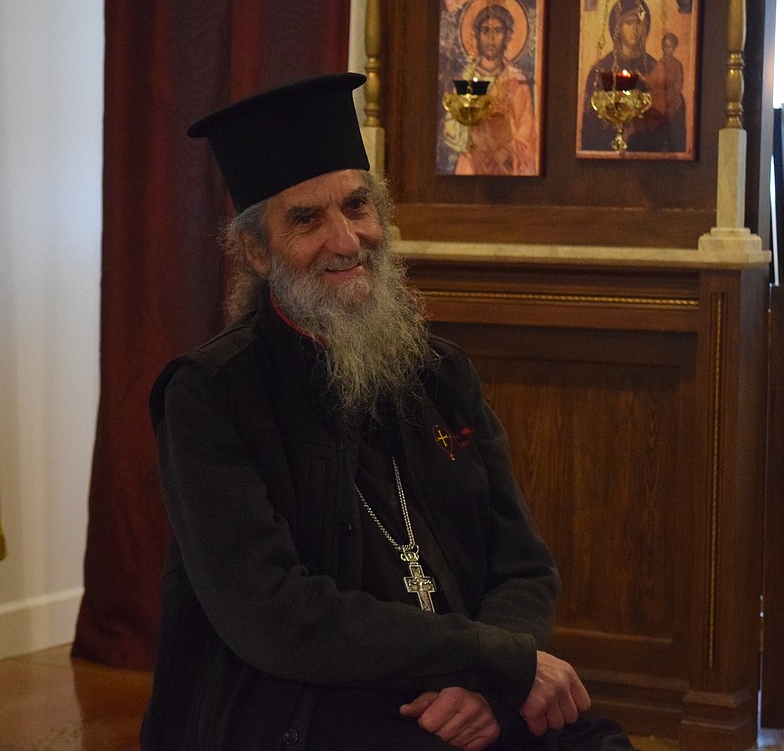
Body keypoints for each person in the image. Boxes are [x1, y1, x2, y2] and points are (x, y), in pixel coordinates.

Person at [142, 72, 633, 750]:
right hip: (295, 701)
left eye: (358, 206)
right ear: (256, 251)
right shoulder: (210, 394)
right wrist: (496, 663)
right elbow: (273, 615)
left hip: (462, 684)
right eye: (307, 219)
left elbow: (522, 566)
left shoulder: (440, 371)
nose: (346, 241)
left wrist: (487, 688)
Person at [442, 0, 539, 176]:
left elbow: (527, 129)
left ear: (508, 36)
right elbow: (451, 122)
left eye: (498, 31)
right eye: (485, 30)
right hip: (471, 162)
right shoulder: (466, 79)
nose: (491, 39)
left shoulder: (516, 81)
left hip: (505, 166)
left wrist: (506, 150)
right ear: (476, 35)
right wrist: (467, 135)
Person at [579, 0, 681, 154]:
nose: (635, 29)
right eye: (628, 23)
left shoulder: (655, 66)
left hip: (647, 145)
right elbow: (590, 118)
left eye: (639, 22)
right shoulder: (601, 68)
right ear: (617, 27)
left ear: (646, 27)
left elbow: (666, 108)